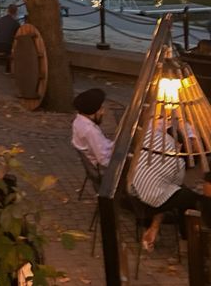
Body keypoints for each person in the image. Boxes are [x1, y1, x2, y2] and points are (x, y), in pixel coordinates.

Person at [130, 115, 202, 251]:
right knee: (189, 198)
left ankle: (153, 228)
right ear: (180, 145)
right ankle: (188, 239)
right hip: (150, 201)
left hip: (134, 194)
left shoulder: (149, 139)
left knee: (170, 190)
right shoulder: (178, 161)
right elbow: (174, 189)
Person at [71, 87, 114, 169]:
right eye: (101, 109)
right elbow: (103, 160)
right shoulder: (90, 130)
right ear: (93, 110)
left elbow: (103, 145)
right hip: (101, 168)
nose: (103, 112)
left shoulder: (78, 120)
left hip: (97, 160)